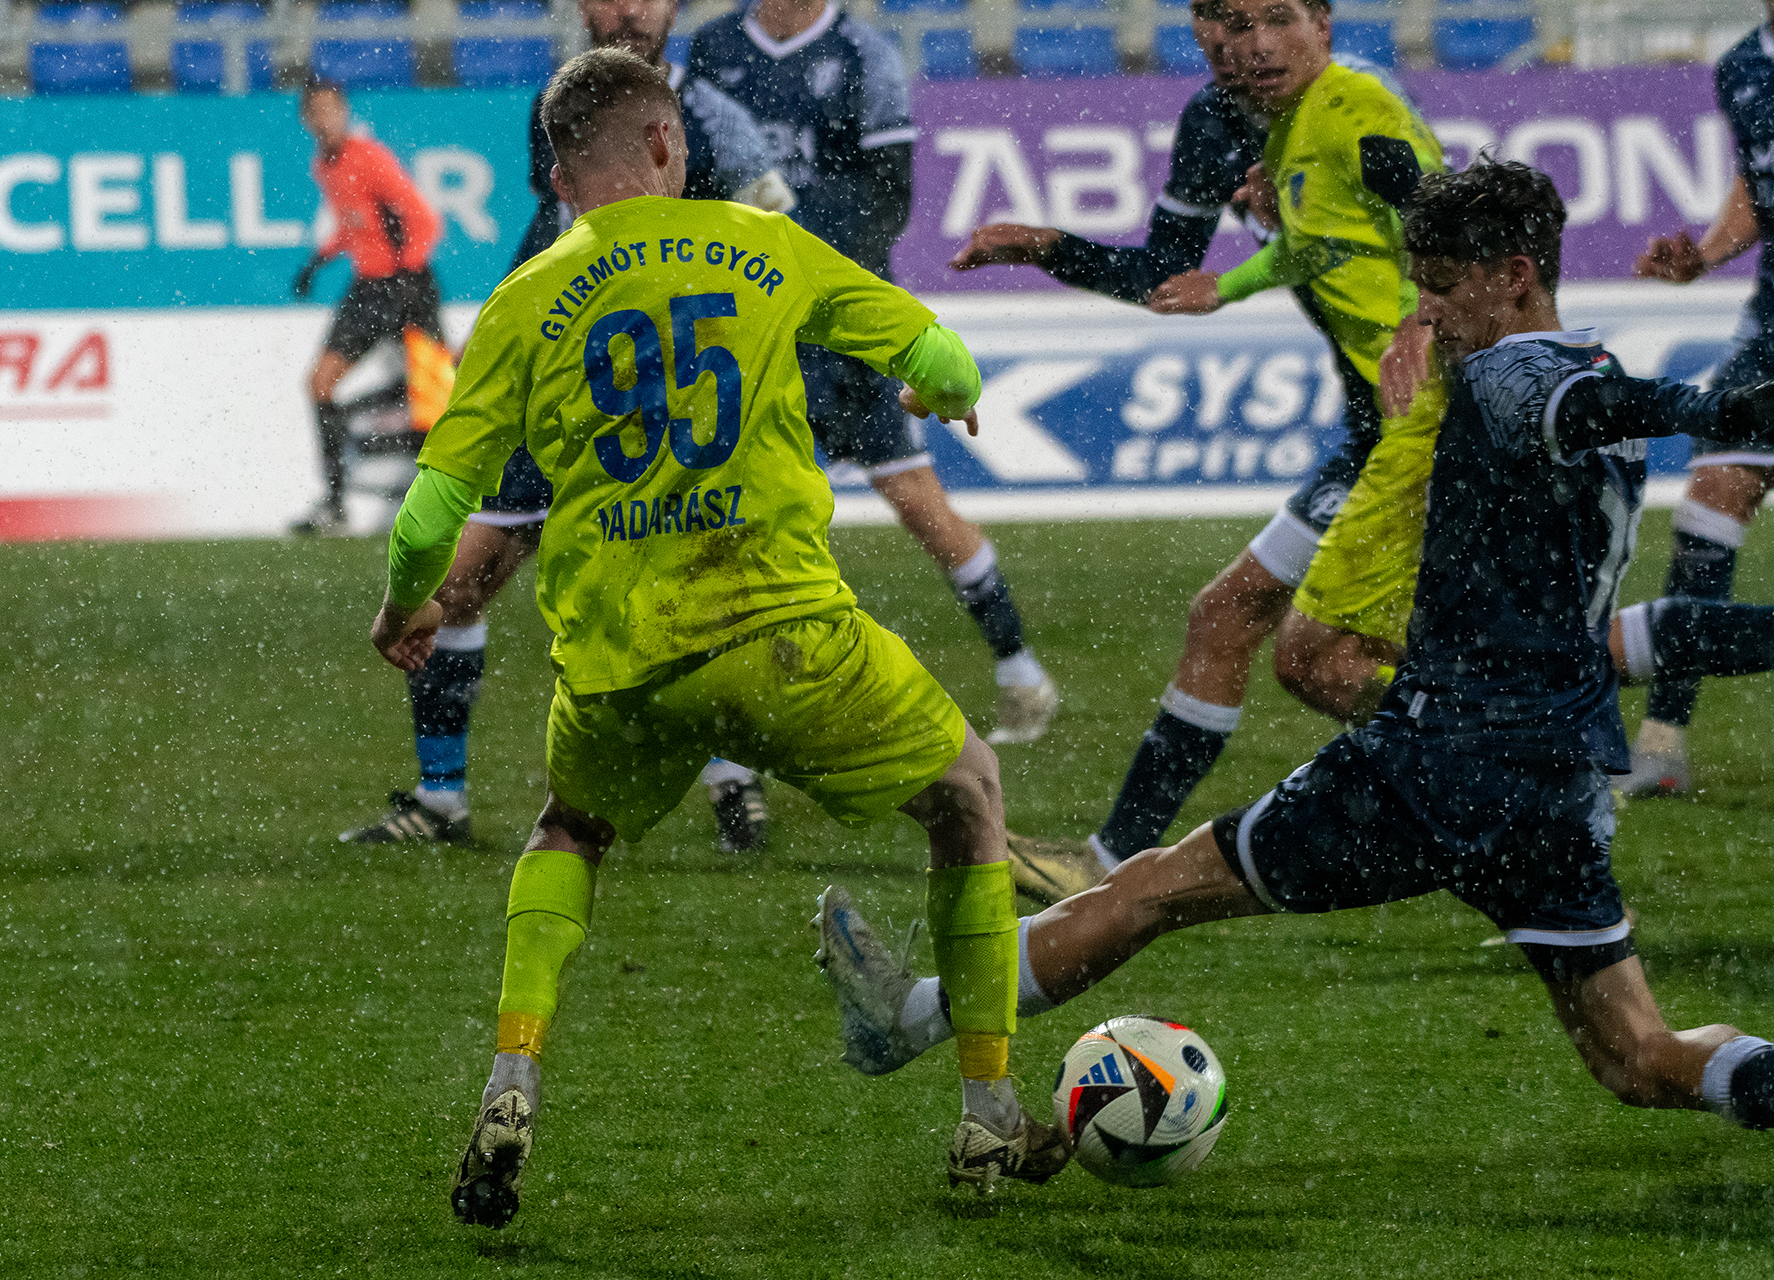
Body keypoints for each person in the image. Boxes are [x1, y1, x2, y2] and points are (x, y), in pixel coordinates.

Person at [816, 158, 1774, 1144]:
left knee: (1152, 888)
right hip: (1553, 788)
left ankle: (910, 1016)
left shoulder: (1512, 375)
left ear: (1516, 276)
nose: (1427, 311)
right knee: (1641, 1057)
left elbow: (1562, 400)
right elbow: (1615, 494)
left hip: (1431, 767)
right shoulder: (1590, 374)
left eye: (1443, 286)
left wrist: (1717, 413)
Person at [364, 49, 1065, 1227]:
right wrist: (943, 389)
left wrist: (404, 608)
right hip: (789, 637)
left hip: (625, 661)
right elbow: (939, 356)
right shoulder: (760, 243)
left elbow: (432, 511)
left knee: (569, 827)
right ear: (664, 144)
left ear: (557, 175)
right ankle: (989, 1108)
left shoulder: (526, 297)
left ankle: (511, 1075)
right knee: (969, 794)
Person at [1000, 0, 1446, 903]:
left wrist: (1424, 322)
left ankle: (1521, 784)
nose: (1255, 45)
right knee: (1234, 619)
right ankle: (1111, 861)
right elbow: (1175, 272)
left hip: (1425, 426)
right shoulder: (1228, 126)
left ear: (1322, 24)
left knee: (1329, 659)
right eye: (1233, 25)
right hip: (1376, 429)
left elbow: (1448, 230)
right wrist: (1051, 249)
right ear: (1201, 30)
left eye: (1276, 19)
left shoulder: (1357, 107)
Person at [338, 0, 793, 849]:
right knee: (457, 587)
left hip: (663, 406)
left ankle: (734, 785)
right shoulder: (556, 105)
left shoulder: (712, 117)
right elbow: (556, 232)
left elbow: (774, 249)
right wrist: (508, 312)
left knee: (689, 594)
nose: (626, 8)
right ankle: (441, 800)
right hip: (558, 388)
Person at [687, 0, 1061, 744]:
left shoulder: (865, 56)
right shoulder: (711, 47)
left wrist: (823, 282)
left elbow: (891, 196)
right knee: (741, 516)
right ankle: (740, 727)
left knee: (917, 503)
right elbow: (695, 179)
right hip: (749, 325)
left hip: (839, 324)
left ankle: (1019, 670)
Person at [1619, 8, 1774, 798]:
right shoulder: (1743, 66)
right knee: (1711, 499)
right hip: (1772, 326)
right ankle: (1662, 745)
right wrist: (1705, 255)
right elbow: (1759, 180)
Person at [290, 77, 444, 537]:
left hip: (407, 286)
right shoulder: (325, 165)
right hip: (370, 288)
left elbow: (423, 219)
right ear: (306, 120)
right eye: (317, 112)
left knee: (436, 400)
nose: (325, 120)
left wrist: (408, 270)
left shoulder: (370, 157)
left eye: (332, 110)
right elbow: (355, 223)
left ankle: (455, 505)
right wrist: (318, 260)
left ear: (345, 113)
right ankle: (335, 505)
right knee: (319, 384)